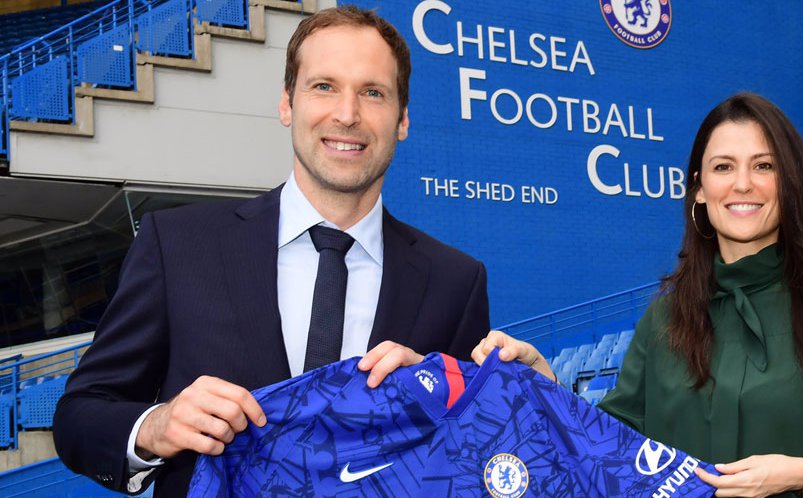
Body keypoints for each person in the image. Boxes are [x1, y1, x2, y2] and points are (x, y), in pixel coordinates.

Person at [52, 6, 489, 496]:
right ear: (286, 104)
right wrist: (155, 426)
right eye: (324, 86)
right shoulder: (176, 245)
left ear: (402, 119)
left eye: (373, 93)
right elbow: (80, 415)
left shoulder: (456, 281)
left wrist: (511, 395)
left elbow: (475, 456)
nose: (347, 114)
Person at [471, 93, 803, 497]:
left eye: (763, 166)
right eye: (723, 167)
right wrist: (544, 379)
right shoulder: (664, 318)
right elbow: (606, 440)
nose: (743, 184)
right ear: (699, 188)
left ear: (788, 183)